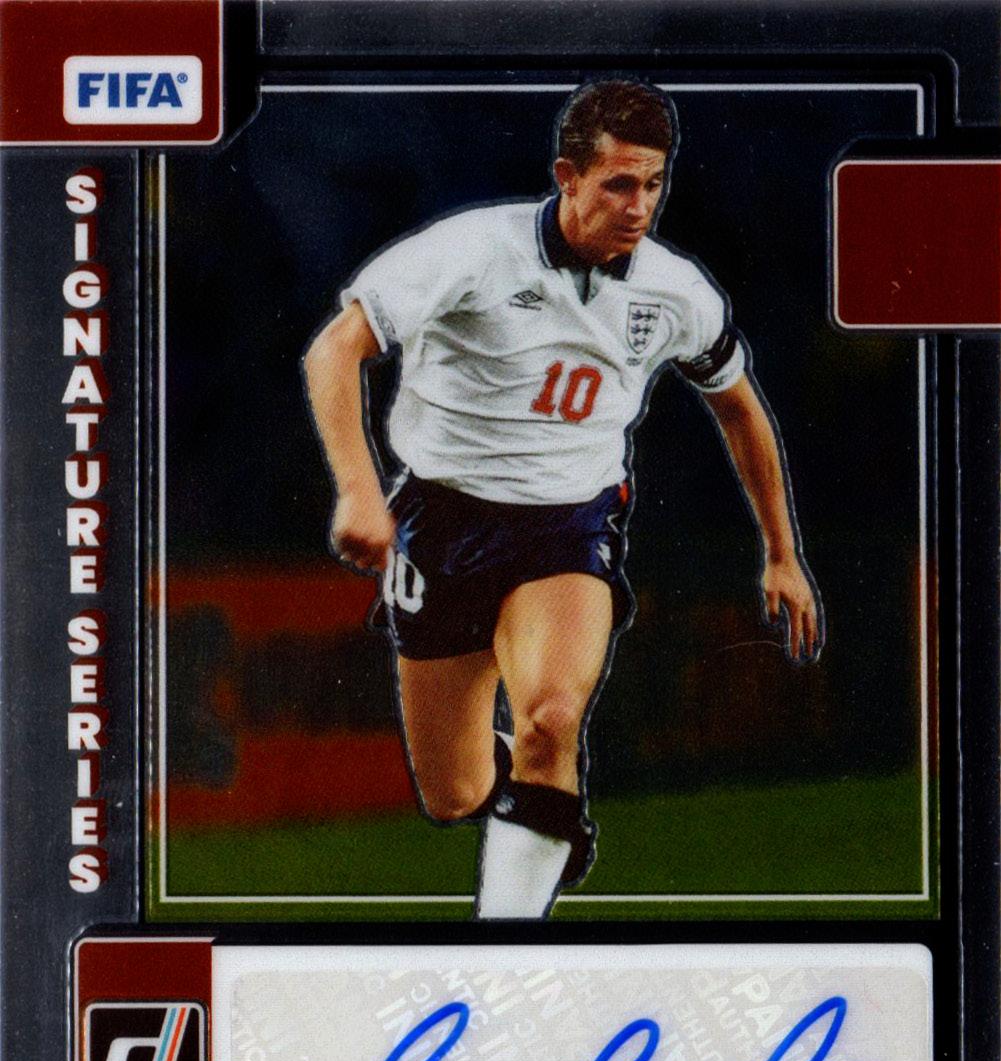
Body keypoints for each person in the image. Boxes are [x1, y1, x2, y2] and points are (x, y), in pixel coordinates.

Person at [303, 79, 821, 920]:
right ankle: (540, 803)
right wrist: (360, 492)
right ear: (567, 177)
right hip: (441, 519)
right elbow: (333, 351)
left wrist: (781, 552)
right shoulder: (473, 250)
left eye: (652, 184)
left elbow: (739, 408)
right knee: (453, 792)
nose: (638, 206)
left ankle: (506, 943)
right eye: (618, 184)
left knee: (550, 716)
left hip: (568, 525)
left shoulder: (674, 291)